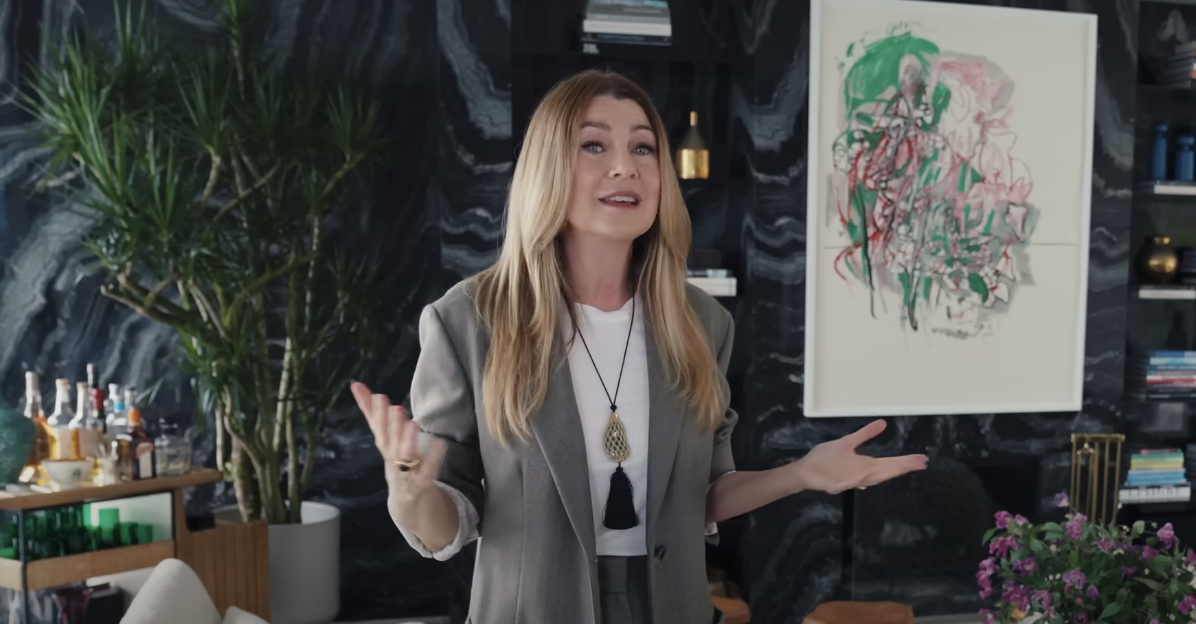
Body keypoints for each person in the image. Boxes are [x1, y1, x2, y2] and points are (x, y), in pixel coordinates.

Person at [350, 69, 928, 624]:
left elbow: (699, 498)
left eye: (644, 148)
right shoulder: (468, 320)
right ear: (547, 167)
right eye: (594, 147)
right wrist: (410, 493)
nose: (625, 167)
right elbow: (446, 523)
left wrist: (802, 474)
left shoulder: (702, 322)